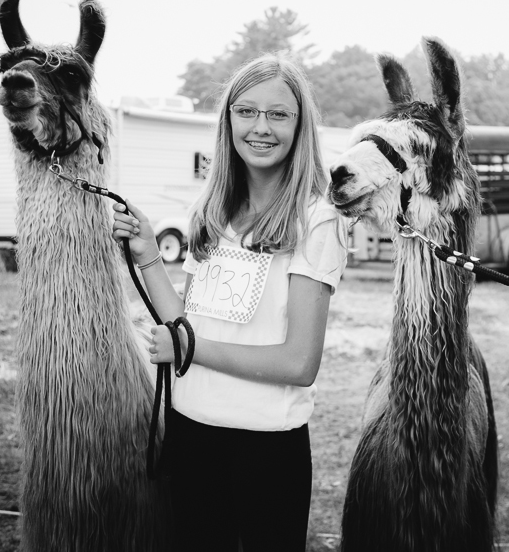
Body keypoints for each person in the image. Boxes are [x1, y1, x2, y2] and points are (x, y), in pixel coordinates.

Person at [112, 53, 348, 551]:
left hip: (265, 447)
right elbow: (183, 325)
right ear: (228, 121)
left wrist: (188, 350)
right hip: (190, 432)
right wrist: (149, 253)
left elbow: (299, 361)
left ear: (300, 126)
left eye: (278, 114)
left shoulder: (317, 219)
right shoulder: (214, 210)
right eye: (247, 111)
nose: (261, 127)